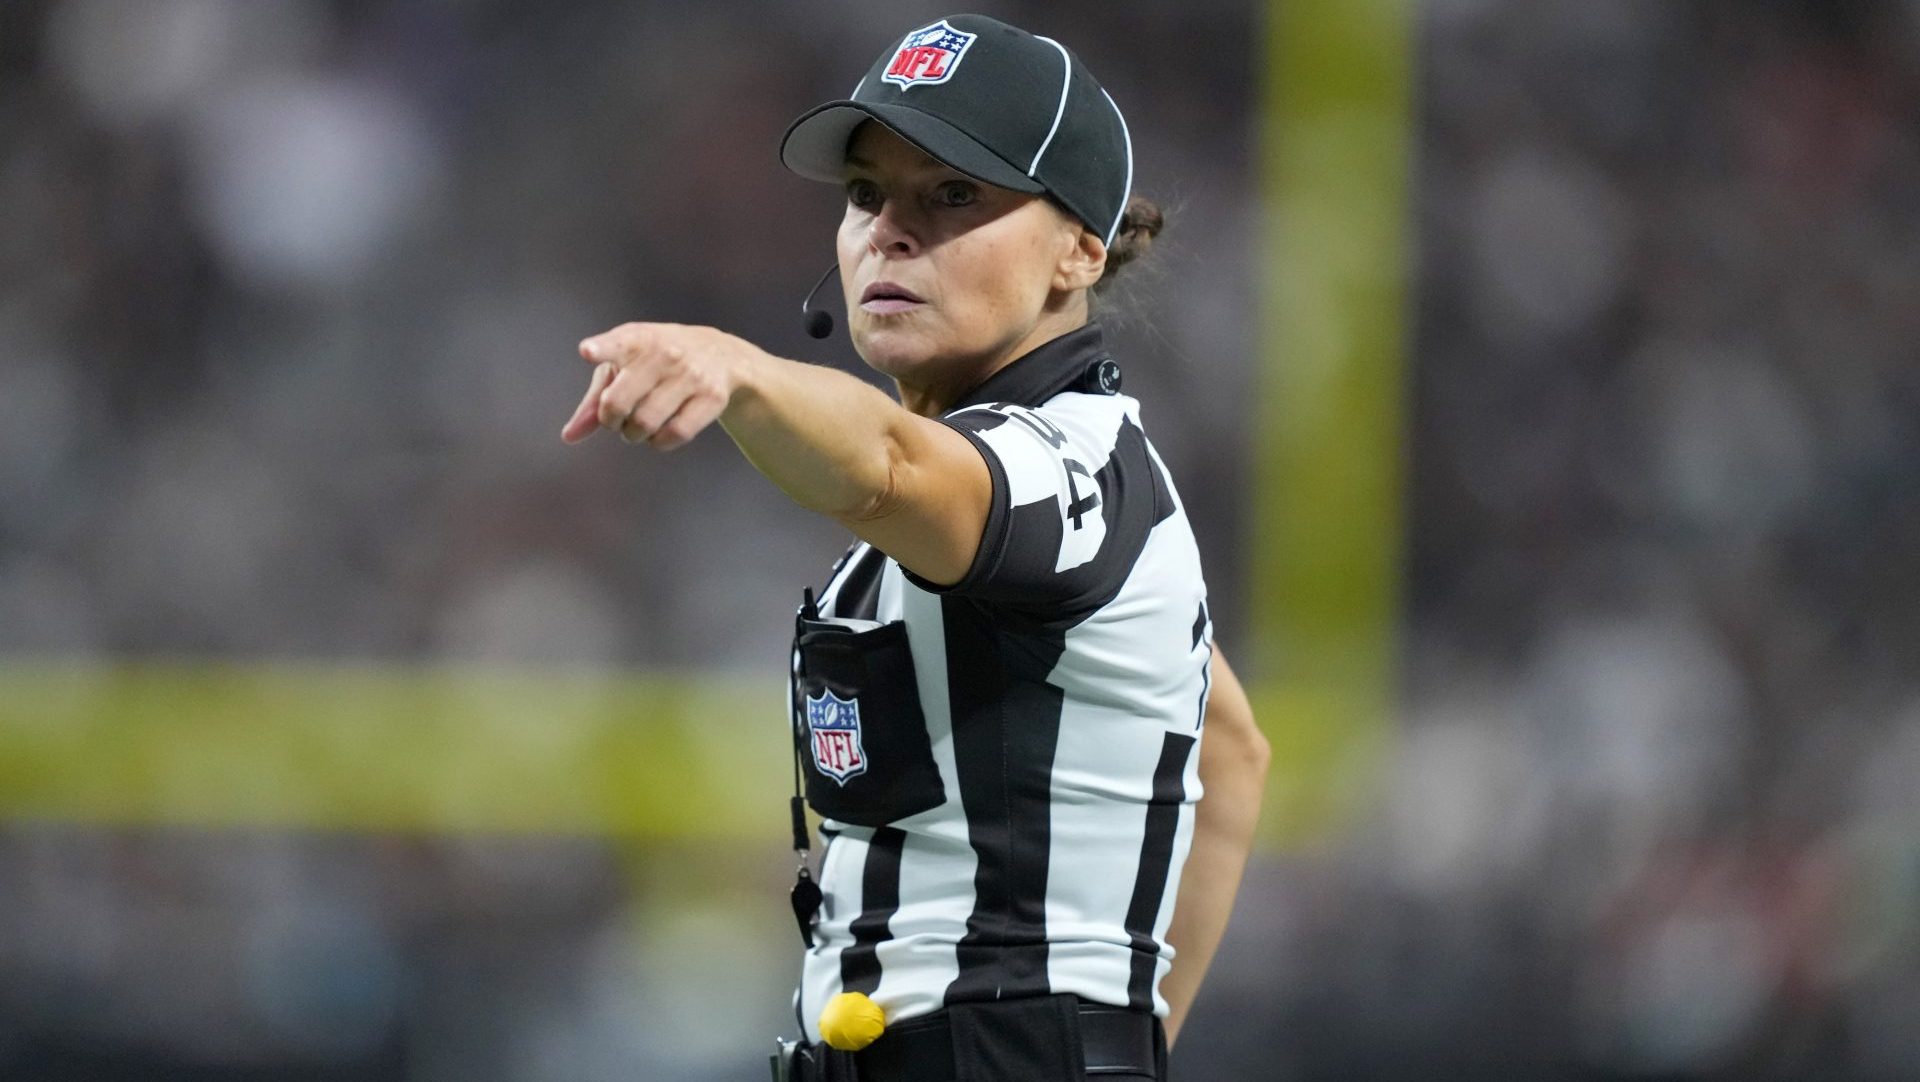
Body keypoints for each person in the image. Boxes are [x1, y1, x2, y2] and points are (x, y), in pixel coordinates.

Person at [560, 14, 1269, 1081]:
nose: (888, 231)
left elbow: (891, 464)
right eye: (865, 196)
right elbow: (1226, 747)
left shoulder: (1058, 461)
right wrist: (1122, 1042)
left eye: (953, 195)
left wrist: (735, 368)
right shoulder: (1085, 476)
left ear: (1080, 246)